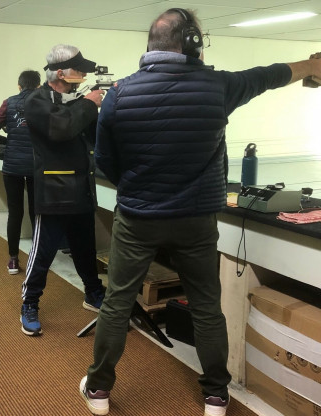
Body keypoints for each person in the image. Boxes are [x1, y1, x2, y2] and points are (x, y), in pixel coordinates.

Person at [79, 8, 321, 416]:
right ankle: (216, 396)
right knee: (207, 307)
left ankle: (99, 390)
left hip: (138, 219)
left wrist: (137, 190)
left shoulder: (118, 94)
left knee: (117, 303)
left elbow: (105, 160)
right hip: (195, 221)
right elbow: (271, 75)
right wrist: (311, 67)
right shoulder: (217, 87)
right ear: (191, 43)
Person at [20, 44, 106, 336]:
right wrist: (90, 105)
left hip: (81, 189)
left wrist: (104, 108)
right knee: (42, 254)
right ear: (60, 73)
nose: (83, 75)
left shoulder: (77, 100)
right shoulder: (36, 100)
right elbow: (62, 128)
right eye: (78, 70)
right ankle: (29, 303)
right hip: (54, 192)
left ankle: (93, 293)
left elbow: (93, 137)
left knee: (85, 250)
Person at [0, 70, 41, 275]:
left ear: (19, 86)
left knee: (15, 212)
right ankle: (37, 258)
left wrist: (9, 142)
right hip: (36, 165)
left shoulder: (8, 103)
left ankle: (13, 259)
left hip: (12, 166)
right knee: (37, 213)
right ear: (38, 86)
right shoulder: (44, 103)